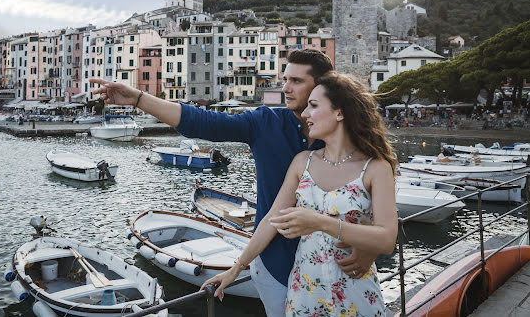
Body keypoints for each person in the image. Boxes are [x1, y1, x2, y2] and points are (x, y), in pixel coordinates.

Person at [90, 49, 378, 316]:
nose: (285, 87)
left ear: (321, 86)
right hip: (275, 265)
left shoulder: (350, 139)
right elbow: (203, 122)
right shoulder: (265, 122)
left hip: (340, 266)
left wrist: (370, 247)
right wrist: (139, 99)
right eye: (284, 79)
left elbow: (371, 195)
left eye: (296, 81)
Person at [201, 72, 398, 316]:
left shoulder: (376, 168)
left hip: (355, 293)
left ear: (340, 112)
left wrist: (321, 223)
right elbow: (272, 219)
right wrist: (236, 269)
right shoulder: (301, 162)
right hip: (305, 293)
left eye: (313, 106)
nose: (305, 114)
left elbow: (387, 239)